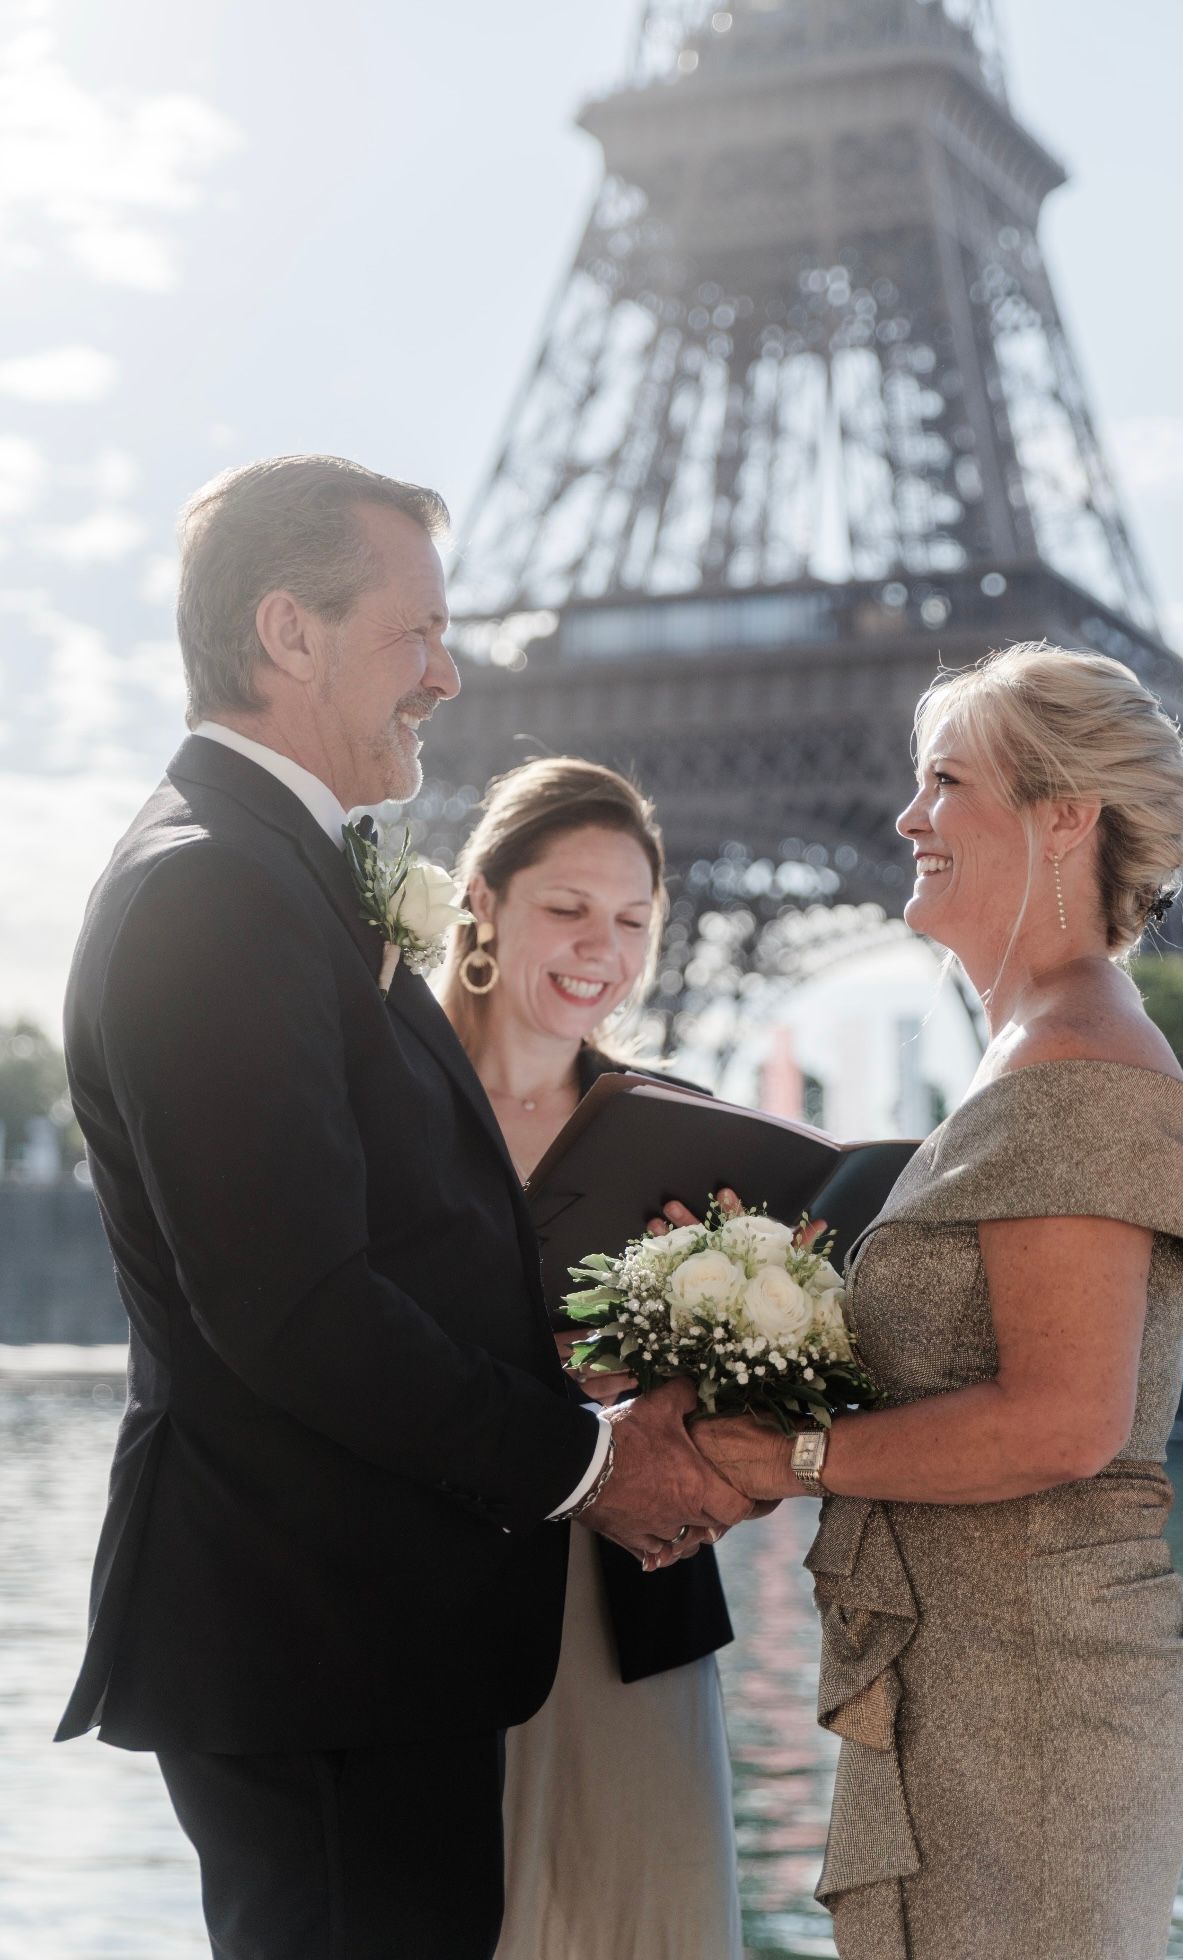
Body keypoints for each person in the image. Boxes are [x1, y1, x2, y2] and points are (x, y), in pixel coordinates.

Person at [56, 455, 751, 1960]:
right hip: (319, 1649)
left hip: (349, 1645)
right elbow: (293, 1303)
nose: (448, 674)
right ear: (289, 630)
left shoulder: (266, 874)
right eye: (417, 631)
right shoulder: (215, 891)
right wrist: (586, 1461)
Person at [686, 642, 1183, 1959]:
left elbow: (1059, 1424)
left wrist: (788, 1453)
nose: (905, 818)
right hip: (994, 1684)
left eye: (943, 782)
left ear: (1060, 817)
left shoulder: (1076, 1066)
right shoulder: (1033, 1051)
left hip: (1029, 1707)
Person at [435, 755, 743, 1960]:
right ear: (483, 899)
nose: (598, 947)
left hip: (628, 1623)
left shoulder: (678, 1124)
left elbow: (729, 1421)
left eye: (631, 920)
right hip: (413, 1614)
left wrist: (695, 1379)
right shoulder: (375, 1101)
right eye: (565, 907)